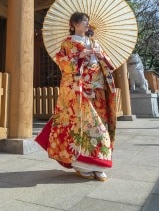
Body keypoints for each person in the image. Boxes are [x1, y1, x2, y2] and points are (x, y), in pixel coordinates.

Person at [46, 11, 117, 181]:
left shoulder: (94, 42)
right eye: (84, 21)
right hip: (80, 90)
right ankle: (82, 164)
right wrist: (79, 56)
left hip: (98, 87)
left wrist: (100, 56)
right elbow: (63, 63)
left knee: (101, 123)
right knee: (84, 125)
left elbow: (109, 64)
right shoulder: (68, 43)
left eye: (87, 21)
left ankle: (99, 163)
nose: (87, 24)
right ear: (74, 25)